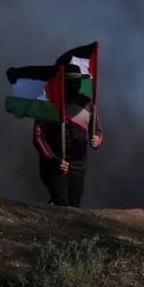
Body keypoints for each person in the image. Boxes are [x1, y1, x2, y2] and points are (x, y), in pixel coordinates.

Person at [31, 68, 103, 207]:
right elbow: (37, 137)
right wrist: (53, 160)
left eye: (76, 82)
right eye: (70, 83)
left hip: (78, 164)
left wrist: (97, 140)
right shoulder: (49, 105)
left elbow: (97, 129)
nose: (74, 86)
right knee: (61, 203)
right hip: (56, 163)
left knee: (74, 205)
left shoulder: (88, 104)